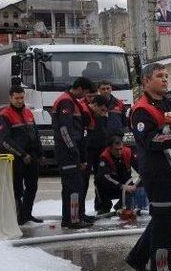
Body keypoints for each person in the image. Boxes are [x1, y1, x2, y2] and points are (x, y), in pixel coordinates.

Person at [125, 63, 171, 271]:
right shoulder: (141, 109)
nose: (165, 79)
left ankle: (137, 258)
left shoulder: (170, 101)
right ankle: (161, 268)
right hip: (157, 172)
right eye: (159, 76)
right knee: (165, 219)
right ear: (146, 81)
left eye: (166, 75)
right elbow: (149, 140)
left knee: (165, 215)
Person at [0, 85, 45, 224]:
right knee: (17, 189)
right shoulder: (4, 115)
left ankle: (26, 214)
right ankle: (17, 217)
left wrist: (40, 154)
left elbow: (35, 134)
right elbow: (5, 140)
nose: (19, 100)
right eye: (16, 98)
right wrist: (22, 154)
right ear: (10, 98)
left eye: (21, 98)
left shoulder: (28, 112)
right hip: (16, 158)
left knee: (32, 186)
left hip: (32, 155)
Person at [52, 77, 95, 228]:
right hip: (67, 152)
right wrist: (74, 151)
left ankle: (71, 218)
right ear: (80, 88)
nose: (84, 96)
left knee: (73, 186)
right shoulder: (66, 101)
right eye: (85, 93)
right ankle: (73, 220)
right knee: (74, 187)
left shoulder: (72, 101)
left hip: (72, 150)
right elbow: (65, 130)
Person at [79, 93, 109, 215]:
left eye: (105, 111)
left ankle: (101, 207)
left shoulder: (102, 113)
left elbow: (105, 130)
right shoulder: (84, 113)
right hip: (87, 151)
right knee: (83, 181)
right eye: (102, 110)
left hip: (100, 150)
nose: (103, 113)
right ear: (95, 105)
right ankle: (80, 211)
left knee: (101, 178)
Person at [95, 135, 138, 214]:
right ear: (110, 148)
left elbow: (141, 170)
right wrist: (122, 186)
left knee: (138, 186)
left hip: (126, 182)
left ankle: (121, 205)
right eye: (116, 150)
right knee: (98, 181)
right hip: (112, 185)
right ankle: (104, 206)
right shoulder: (104, 157)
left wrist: (136, 185)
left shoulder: (128, 152)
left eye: (121, 149)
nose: (119, 152)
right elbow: (105, 177)